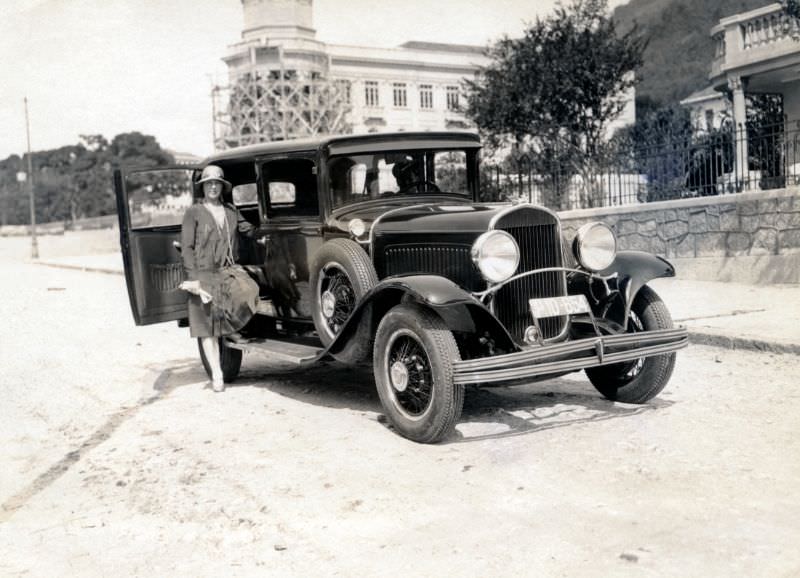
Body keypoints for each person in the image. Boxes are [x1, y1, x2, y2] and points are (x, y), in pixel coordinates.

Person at [179, 165, 259, 392]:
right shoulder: (193, 212)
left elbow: (249, 230)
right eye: (209, 183)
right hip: (202, 275)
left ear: (222, 187)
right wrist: (193, 279)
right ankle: (216, 373)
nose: (213, 187)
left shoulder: (231, 211)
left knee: (249, 291)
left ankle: (228, 325)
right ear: (203, 187)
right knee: (207, 329)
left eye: (217, 184)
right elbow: (186, 247)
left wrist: (271, 232)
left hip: (227, 271)